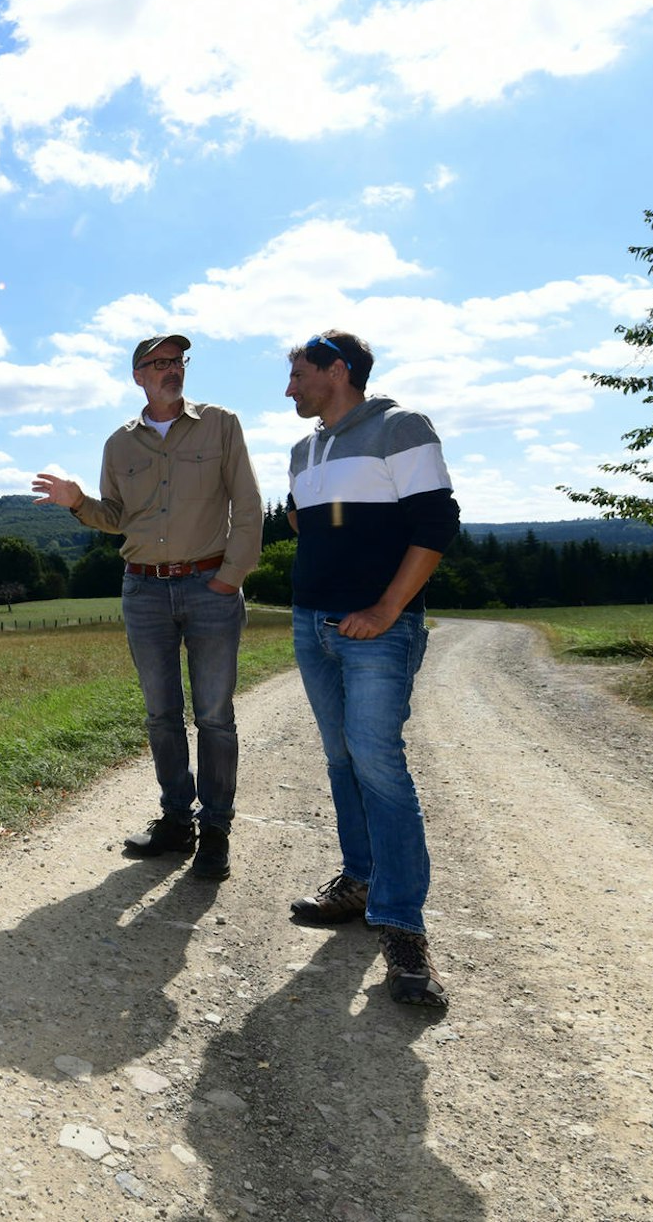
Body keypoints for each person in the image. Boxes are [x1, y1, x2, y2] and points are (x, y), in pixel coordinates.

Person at [32, 333, 262, 881]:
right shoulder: (119, 444)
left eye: (176, 361)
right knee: (162, 716)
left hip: (211, 586)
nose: (170, 370)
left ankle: (217, 831)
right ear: (138, 376)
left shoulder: (221, 424)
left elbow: (249, 505)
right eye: (157, 363)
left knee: (214, 716)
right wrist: (79, 503)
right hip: (144, 591)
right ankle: (177, 821)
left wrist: (230, 578)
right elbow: (116, 517)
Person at [281, 331, 459, 1008]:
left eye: (298, 374)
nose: (289, 388)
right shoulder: (305, 448)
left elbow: (437, 522)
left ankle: (403, 928)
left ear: (337, 369)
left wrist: (388, 606)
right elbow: (307, 521)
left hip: (376, 630)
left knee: (380, 765)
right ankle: (358, 880)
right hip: (311, 624)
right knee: (341, 758)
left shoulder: (400, 425)